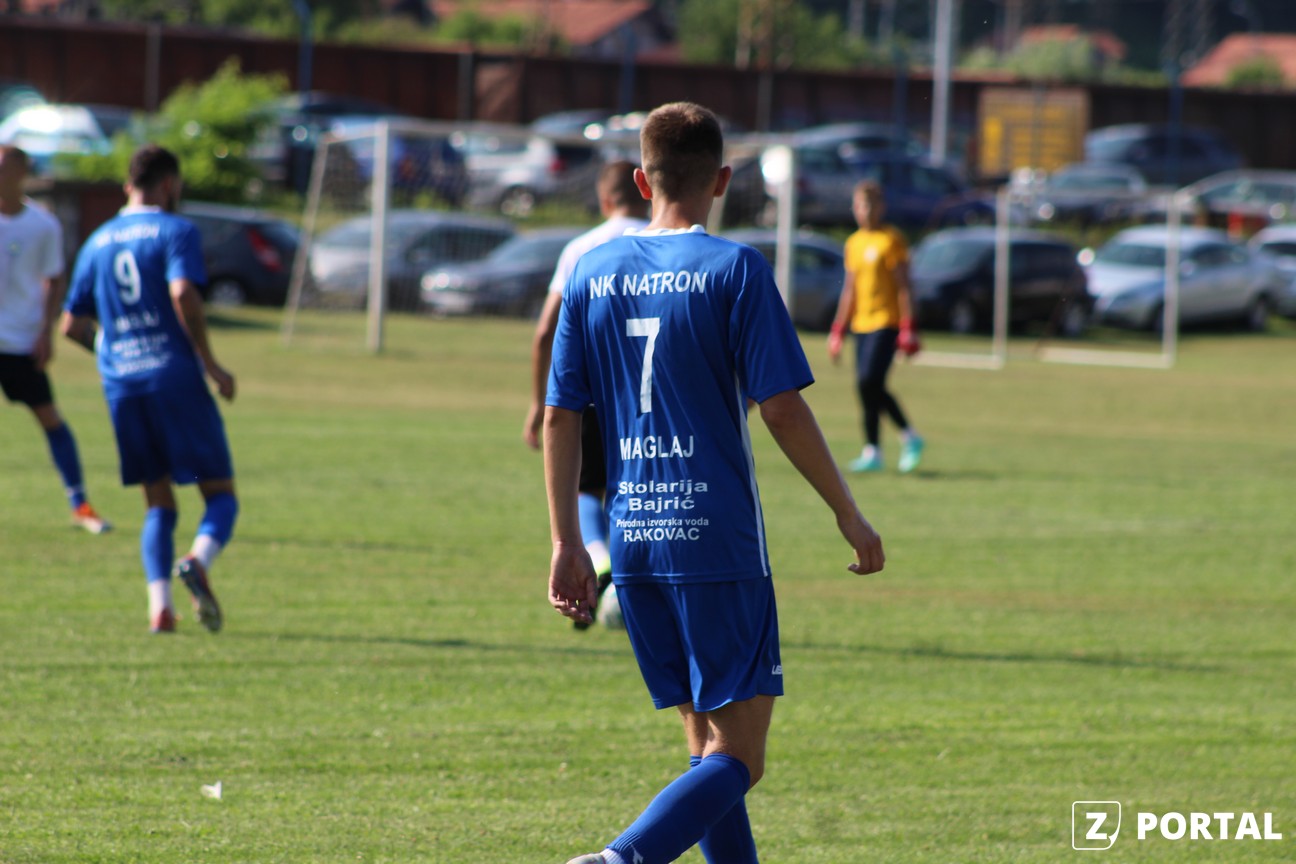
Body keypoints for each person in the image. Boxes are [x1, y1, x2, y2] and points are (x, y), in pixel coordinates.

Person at [545, 102, 886, 864]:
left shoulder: (590, 272)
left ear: (642, 181)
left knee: (706, 748)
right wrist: (847, 511)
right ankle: (620, 859)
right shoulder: (735, 269)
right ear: (724, 180)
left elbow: (562, 414)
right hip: (715, 537)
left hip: (634, 537)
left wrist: (567, 542)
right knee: (741, 758)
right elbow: (782, 408)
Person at [61, 144, 238, 635]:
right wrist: (211, 364)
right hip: (174, 378)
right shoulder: (176, 230)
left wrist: (113, 352)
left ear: (127, 187)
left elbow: (71, 325)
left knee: (158, 500)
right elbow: (183, 292)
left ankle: (159, 606)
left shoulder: (97, 241)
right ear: (168, 185)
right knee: (219, 495)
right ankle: (198, 560)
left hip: (124, 386)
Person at [524, 160, 649, 629]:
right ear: (646, 192)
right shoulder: (665, 242)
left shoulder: (582, 248)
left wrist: (538, 402)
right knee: (638, 491)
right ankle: (635, 584)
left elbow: (545, 332)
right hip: (650, 396)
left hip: (592, 391)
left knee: (584, 487)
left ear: (604, 200)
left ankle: (599, 558)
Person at [0, 145, 112, 534]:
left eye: (4, 168)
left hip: (21, 342)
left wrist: (44, 333)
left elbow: (54, 279)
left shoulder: (42, 225)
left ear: (22, 173)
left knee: (50, 420)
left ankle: (80, 503)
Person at [827, 179, 925, 474]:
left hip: (887, 322)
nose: (864, 211)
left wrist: (909, 326)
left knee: (869, 380)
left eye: (870, 205)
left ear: (881, 207)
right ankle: (873, 451)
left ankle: (908, 436)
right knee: (866, 386)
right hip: (861, 324)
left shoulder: (891, 240)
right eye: (859, 205)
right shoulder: (854, 243)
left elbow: (904, 287)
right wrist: (838, 330)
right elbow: (850, 290)